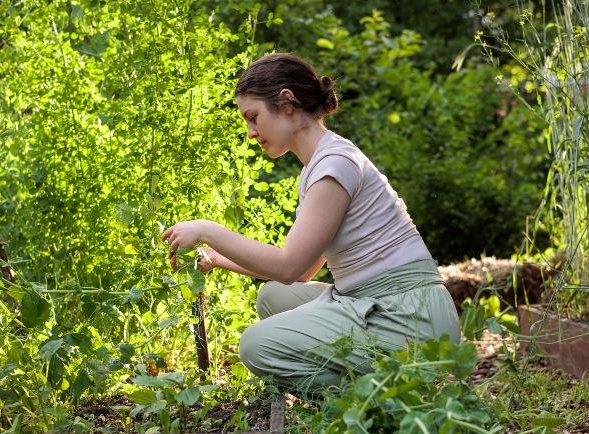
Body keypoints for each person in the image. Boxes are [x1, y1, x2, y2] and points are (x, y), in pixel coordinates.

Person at [162, 53, 459, 392]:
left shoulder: (335, 165)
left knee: (256, 346)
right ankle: (380, 388)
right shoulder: (319, 166)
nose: (251, 132)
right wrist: (218, 260)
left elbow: (289, 265)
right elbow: (302, 272)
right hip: (376, 303)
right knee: (274, 297)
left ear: (286, 102)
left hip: (410, 318)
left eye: (253, 117)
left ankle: (389, 398)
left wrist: (207, 230)